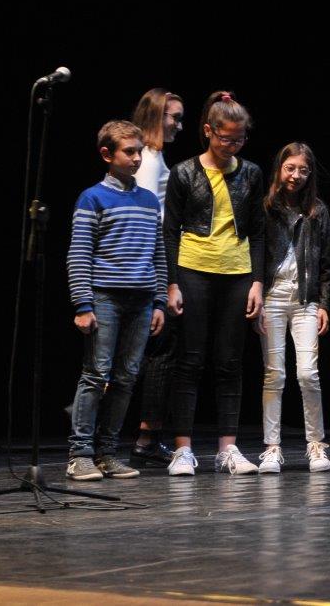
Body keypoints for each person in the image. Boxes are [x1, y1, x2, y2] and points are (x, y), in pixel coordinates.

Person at [163, 91, 265, 476]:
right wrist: (172, 283)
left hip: (237, 273)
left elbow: (258, 231)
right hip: (193, 269)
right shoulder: (184, 172)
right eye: (225, 138)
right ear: (208, 131)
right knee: (190, 360)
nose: (232, 146)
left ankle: (227, 448)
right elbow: (169, 231)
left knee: (230, 362)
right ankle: (183, 450)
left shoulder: (251, 173)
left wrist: (257, 282)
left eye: (239, 140)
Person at [65, 120, 167, 481]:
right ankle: (80, 453)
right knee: (96, 375)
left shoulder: (148, 200)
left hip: (141, 300)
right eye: (129, 152)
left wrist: (159, 301)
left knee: (126, 378)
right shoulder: (93, 197)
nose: (137, 158)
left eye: (139, 151)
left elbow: (158, 254)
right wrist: (83, 304)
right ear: (107, 155)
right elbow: (80, 253)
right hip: (105, 297)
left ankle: (107, 453)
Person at [255, 143, 330, 474]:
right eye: (290, 168)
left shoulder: (318, 211)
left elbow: (326, 262)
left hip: (305, 300)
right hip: (273, 297)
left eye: (303, 169)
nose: (296, 175)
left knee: (307, 374)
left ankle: (315, 443)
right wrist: (257, 296)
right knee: (274, 374)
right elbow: (256, 255)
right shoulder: (265, 208)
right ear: (279, 168)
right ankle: (271, 447)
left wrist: (324, 303)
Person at [129, 87, 185, 467]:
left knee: (153, 353)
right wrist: (161, 284)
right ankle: (146, 438)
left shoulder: (154, 156)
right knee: (159, 352)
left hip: (158, 262)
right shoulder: (148, 160)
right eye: (174, 117)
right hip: (153, 265)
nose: (179, 125)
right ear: (155, 116)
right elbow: (148, 222)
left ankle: (146, 436)